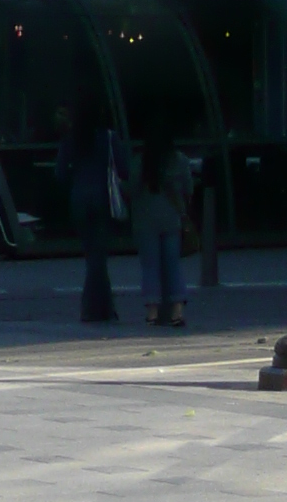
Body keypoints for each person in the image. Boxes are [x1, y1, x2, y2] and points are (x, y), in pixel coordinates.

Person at [66, 95, 125, 327]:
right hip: (103, 199)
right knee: (99, 256)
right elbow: (124, 168)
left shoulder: (72, 139)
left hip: (79, 199)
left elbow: (61, 172)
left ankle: (104, 307)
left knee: (93, 254)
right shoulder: (109, 138)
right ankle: (93, 307)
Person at [134, 129, 194, 330]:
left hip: (146, 220)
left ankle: (153, 312)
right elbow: (189, 189)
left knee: (150, 266)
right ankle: (177, 310)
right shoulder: (180, 160)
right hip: (172, 219)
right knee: (173, 265)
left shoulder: (141, 161)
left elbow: (132, 189)